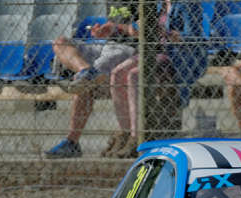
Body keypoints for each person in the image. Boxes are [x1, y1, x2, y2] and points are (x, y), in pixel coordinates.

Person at [109, 0, 207, 158]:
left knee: (134, 75)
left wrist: (168, 33)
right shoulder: (157, 5)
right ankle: (125, 133)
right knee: (117, 73)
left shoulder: (188, 4)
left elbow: (193, 37)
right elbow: (139, 31)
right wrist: (136, 28)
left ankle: (135, 137)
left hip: (175, 55)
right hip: (154, 52)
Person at [44, 1, 139, 159]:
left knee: (87, 80)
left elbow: (143, 29)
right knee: (60, 43)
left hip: (130, 49)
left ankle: (72, 141)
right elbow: (115, 27)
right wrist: (104, 31)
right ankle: (85, 71)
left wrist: (117, 28)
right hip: (106, 45)